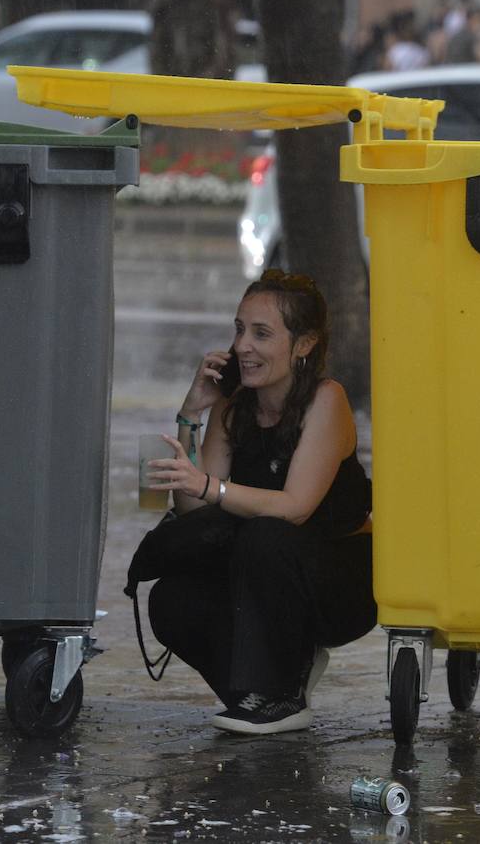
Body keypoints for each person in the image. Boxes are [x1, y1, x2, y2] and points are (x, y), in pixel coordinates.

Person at [145, 270, 375, 735]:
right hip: (263, 580)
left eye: (261, 333)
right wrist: (192, 414)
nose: (242, 346)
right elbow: (195, 512)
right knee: (172, 598)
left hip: (342, 580)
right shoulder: (234, 407)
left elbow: (295, 508)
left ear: (304, 344)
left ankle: (283, 694)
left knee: (265, 535)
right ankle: (262, 691)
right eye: (238, 330)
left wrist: (209, 486)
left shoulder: (326, 401)